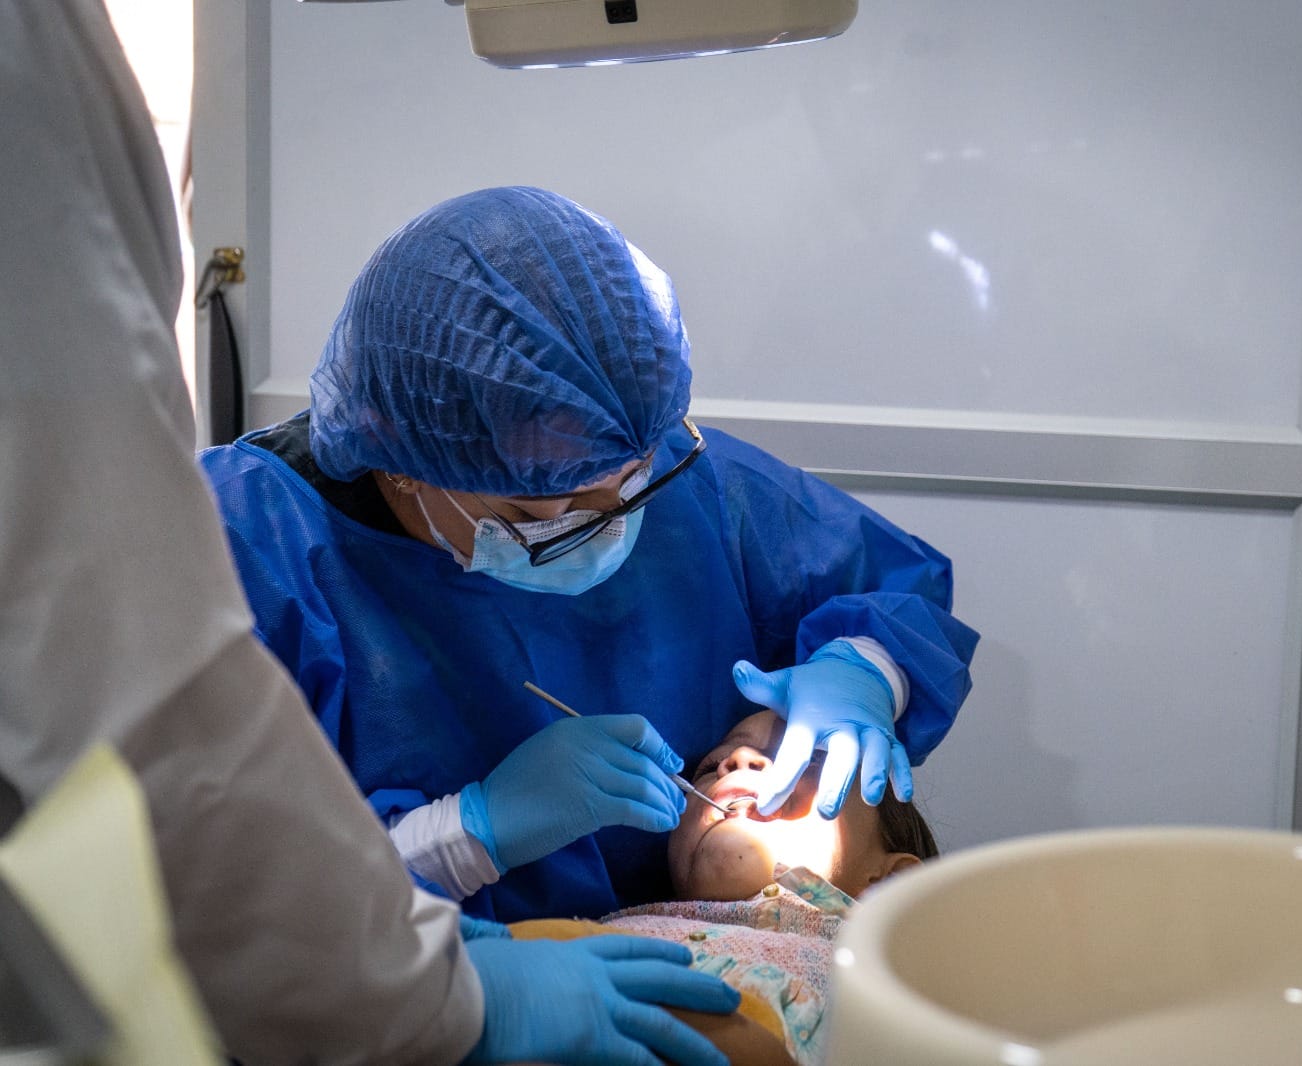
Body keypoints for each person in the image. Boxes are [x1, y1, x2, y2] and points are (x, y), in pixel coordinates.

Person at [0, 5, 738, 1064]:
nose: (591, 529)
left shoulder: (643, 442)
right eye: (530, 514)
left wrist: (837, 687)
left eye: (619, 493)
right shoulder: (252, 546)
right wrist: (463, 868)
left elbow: (855, 583)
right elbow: (177, 811)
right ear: (402, 453)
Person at [197, 185, 980, 922]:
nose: (611, 527)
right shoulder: (237, 552)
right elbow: (217, 895)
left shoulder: (665, 465)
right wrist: (464, 834)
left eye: (632, 483)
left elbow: (888, 586)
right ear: (401, 458)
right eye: (545, 510)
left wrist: (867, 667)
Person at [498, 708, 942, 1066]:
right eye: (710, 767)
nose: (739, 759)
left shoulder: (871, 985)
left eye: (808, 760)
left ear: (889, 888)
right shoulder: (611, 926)